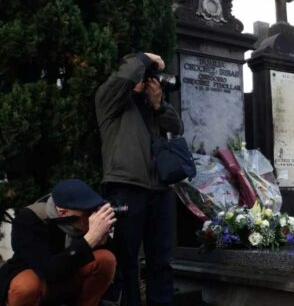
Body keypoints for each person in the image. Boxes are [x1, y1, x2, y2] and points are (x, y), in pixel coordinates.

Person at [95, 52, 181, 306]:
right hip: (126, 188)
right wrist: (144, 57)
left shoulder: (149, 105)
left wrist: (159, 105)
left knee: (161, 260)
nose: (147, 80)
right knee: (126, 260)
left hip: (160, 190)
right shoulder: (110, 102)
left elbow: (177, 128)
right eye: (142, 74)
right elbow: (123, 77)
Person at [0, 178, 117, 306]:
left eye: (94, 211)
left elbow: (113, 263)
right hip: (39, 280)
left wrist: (103, 236)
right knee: (26, 286)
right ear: (63, 212)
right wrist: (89, 240)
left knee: (106, 259)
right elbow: (48, 272)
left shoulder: (82, 222)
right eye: (86, 213)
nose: (92, 217)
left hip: (68, 277)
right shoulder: (30, 219)